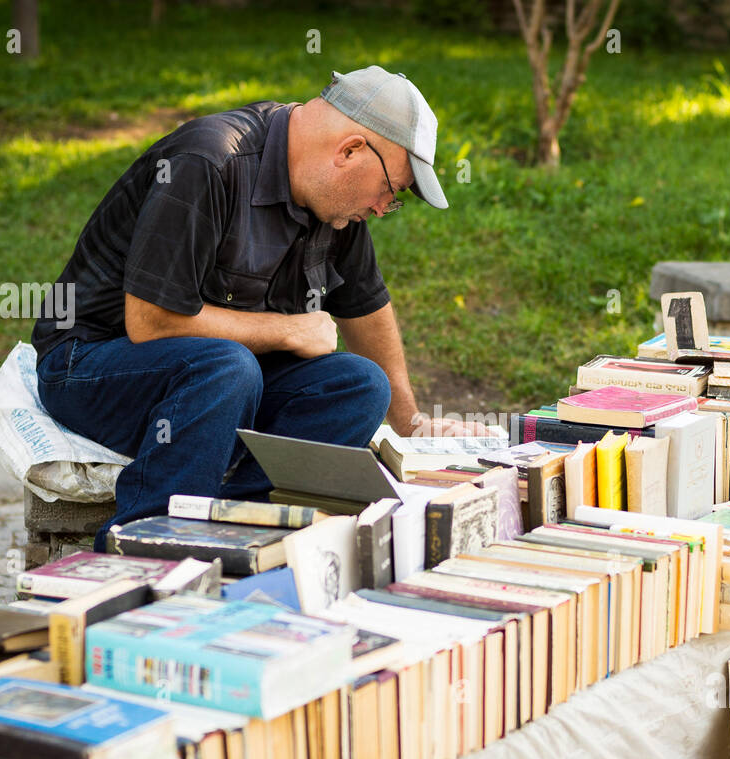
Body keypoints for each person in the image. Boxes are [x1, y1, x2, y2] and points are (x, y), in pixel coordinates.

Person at [31, 65, 486, 551]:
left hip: (214, 378)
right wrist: (287, 331)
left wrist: (411, 424)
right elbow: (149, 323)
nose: (381, 208)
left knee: (358, 384)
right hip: (91, 364)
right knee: (228, 367)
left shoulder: (334, 206)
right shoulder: (208, 160)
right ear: (350, 150)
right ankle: (147, 550)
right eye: (390, 192)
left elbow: (366, 310)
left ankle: (246, 537)